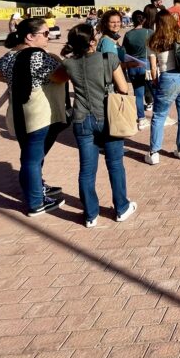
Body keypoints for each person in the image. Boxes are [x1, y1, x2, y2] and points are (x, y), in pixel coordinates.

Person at [0, 18, 69, 216]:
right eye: (45, 33)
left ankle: (37, 187)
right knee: (32, 159)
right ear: (30, 37)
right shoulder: (40, 57)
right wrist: (61, 60)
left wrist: (13, 79)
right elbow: (62, 76)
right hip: (39, 115)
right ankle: (35, 202)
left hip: (18, 113)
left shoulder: (10, 55)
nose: (49, 37)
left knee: (31, 156)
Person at [60, 24, 137, 226]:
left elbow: (56, 78)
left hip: (81, 118)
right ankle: (121, 207)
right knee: (115, 164)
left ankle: (90, 215)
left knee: (86, 169)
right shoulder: (108, 58)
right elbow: (122, 87)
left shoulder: (68, 64)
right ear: (92, 42)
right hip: (107, 117)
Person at [145, 11, 180, 165]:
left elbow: (153, 64)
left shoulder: (153, 39)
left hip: (168, 77)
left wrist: (155, 80)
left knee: (159, 115)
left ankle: (154, 152)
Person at [122, 10, 153, 130]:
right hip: (147, 65)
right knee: (154, 90)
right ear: (144, 20)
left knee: (138, 93)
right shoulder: (149, 32)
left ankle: (141, 118)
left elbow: (124, 51)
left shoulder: (129, 34)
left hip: (133, 65)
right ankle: (160, 115)